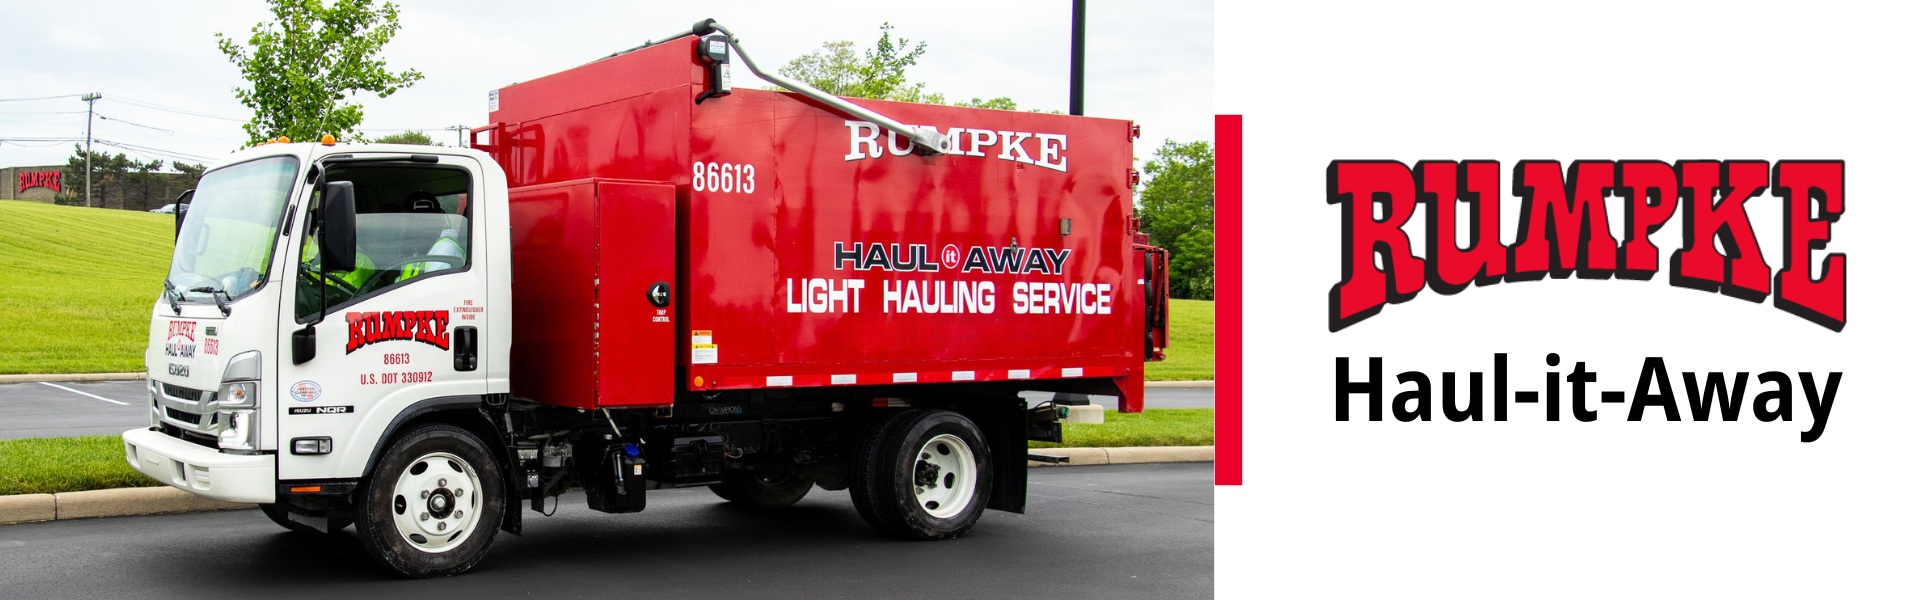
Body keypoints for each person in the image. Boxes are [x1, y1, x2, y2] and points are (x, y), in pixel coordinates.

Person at [396, 192, 467, 281]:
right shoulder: (418, 248)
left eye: (408, 220)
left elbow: (432, 289)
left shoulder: (445, 248)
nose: (404, 226)